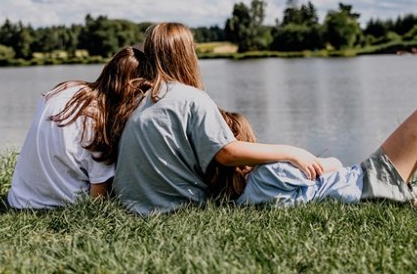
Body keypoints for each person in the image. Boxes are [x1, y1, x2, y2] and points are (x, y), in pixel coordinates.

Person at [113, 23, 324, 216]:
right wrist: (293, 152)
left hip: (135, 207)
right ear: (186, 55)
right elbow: (227, 153)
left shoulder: (137, 101)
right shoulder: (191, 98)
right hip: (177, 208)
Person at [211, 107, 417, 211]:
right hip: (363, 184)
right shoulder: (270, 174)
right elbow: (333, 164)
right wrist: (307, 158)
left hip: (362, 188)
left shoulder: (244, 198)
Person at [7, 47, 149, 209]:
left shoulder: (64, 89)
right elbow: (98, 199)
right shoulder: (101, 120)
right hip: (59, 207)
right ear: (136, 90)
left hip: (18, 199)